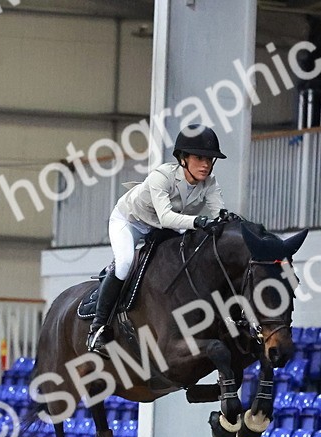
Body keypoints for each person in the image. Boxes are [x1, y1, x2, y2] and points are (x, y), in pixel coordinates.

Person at [86, 125, 227, 355]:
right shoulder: (161, 177)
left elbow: (219, 213)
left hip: (162, 228)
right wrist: (198, 222)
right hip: (130, 222)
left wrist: (228, 221)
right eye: (200, 158)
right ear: (183, 159)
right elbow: (167, 216)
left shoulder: (209, 183)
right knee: (124, 263)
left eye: (210, 159)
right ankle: (98, 328)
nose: (206, 164)